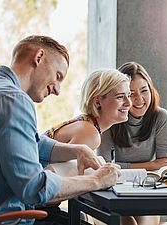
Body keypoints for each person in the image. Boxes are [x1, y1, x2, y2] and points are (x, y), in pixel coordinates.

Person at [0, 35, 120, 225]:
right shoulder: (14, 100)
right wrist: (96, 180)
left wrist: (77, 150)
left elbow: (32, 142)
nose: (57, 90)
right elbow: (33, 187)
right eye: (58, 76)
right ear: (39, 56)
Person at [39, 68, 131, 224]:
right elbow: (56, 185)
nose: (129, 103)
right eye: (120, 97)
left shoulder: (85, 124)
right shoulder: (90, 133)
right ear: (97, 102)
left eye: (129, 95)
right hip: (34, 210)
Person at [98, 61, 167, 225]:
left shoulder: (160, 117)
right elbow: (104, 167)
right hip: (113, 192)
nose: (139, 99)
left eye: (144, 91)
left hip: (146, 191)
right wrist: (150, 165)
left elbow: (164, 167)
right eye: (131, 94)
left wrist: (153, 166)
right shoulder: (110, 118)